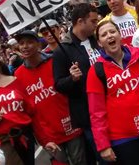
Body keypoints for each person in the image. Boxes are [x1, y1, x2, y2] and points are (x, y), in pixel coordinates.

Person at [87, 19, 139, 164]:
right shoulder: (95, 71)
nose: (109, 36)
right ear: (99, 43)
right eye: (104, 35)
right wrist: (103, 145)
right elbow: (96, 112)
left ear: (120, 34)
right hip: (123, 138)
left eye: (112, 31)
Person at [14, 30, 87, 165]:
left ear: (38, 45)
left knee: (80, 161)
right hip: (48, 133)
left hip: (71, 123)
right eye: (21, 43)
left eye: (29, 42)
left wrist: (73, 77)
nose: (25, 46)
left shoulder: (55, 60)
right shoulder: (17, 75)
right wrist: (42, 137)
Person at [52, 3, 103, 162]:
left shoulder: (97, 40)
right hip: (88, 113)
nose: (96, 25)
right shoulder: (62, 50)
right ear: (80, 21)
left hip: (109, 104)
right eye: (93, 22)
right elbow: (59, 85)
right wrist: (71, 79)